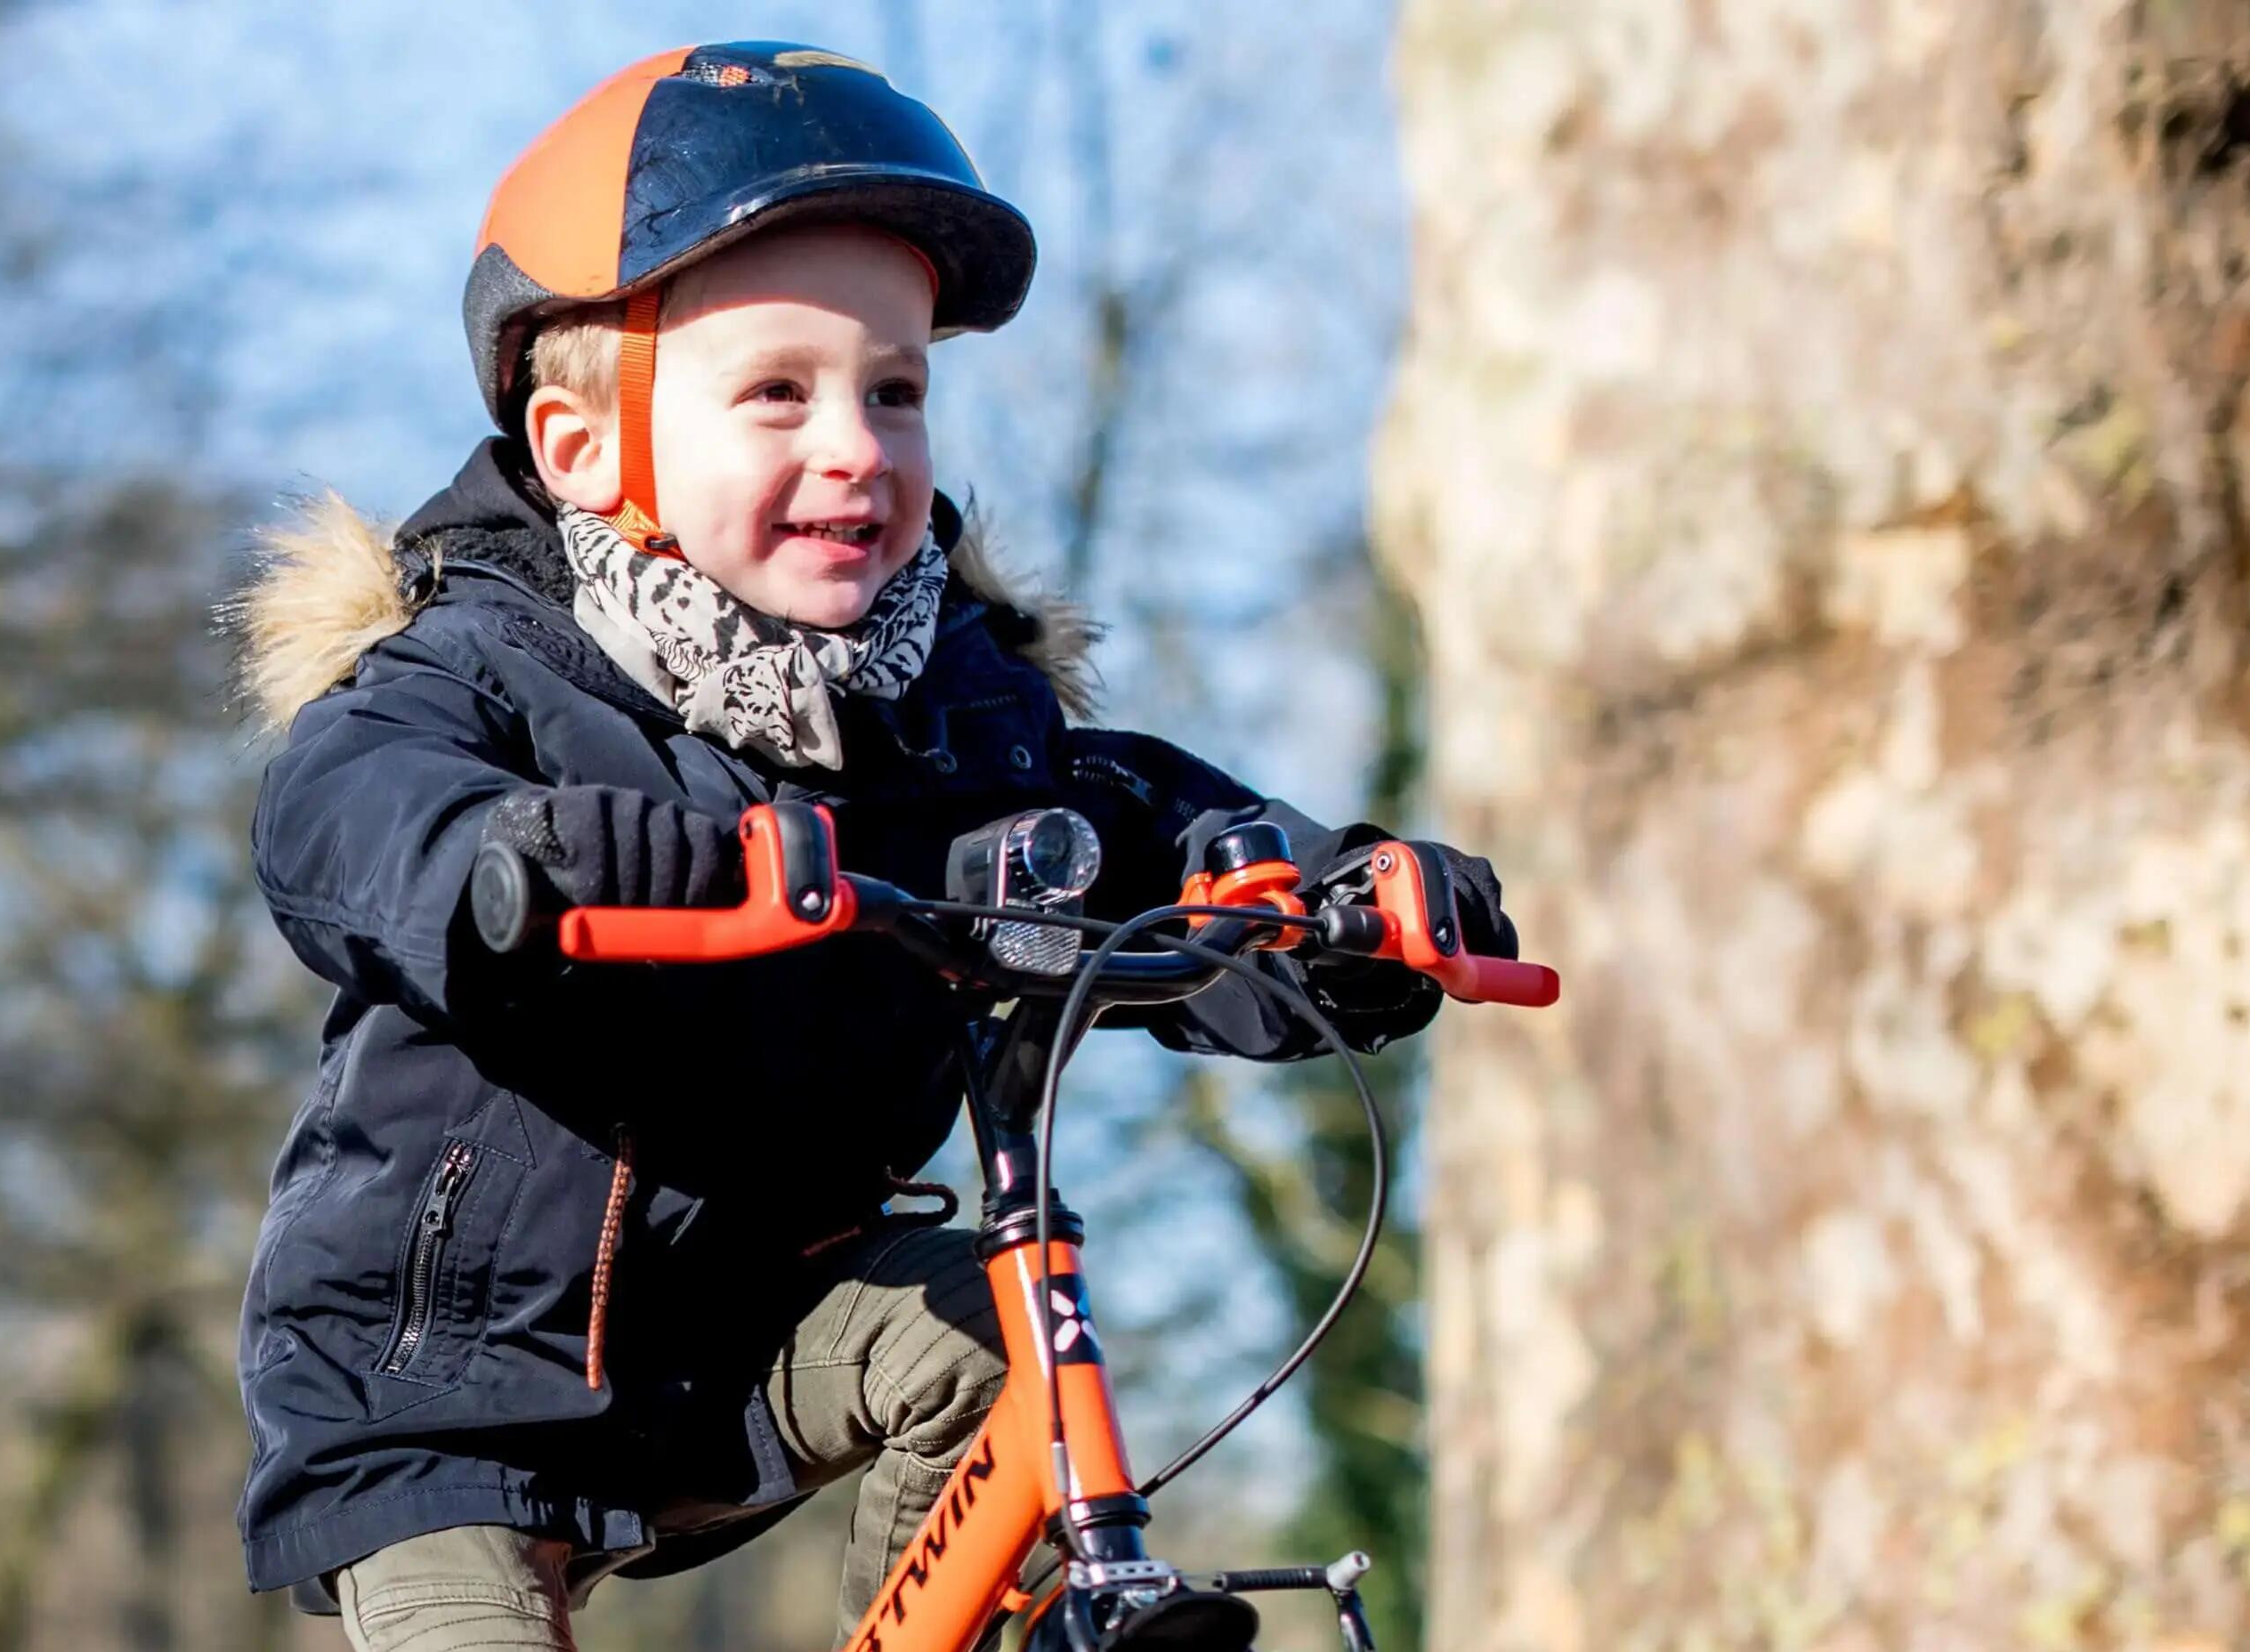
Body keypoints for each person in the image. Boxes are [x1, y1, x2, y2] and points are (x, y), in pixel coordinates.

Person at [226, 44, 1515, 1650]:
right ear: (581, 453)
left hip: (772, 1334)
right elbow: (350, 818)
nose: (856, 443)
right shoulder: (477, 680)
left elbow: (1147, 830)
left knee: (1005, 1336)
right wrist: (525, 862)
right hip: (454, 1384)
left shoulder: (963, 730)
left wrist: (1325, 903)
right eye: (778, 391)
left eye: (894, 390)